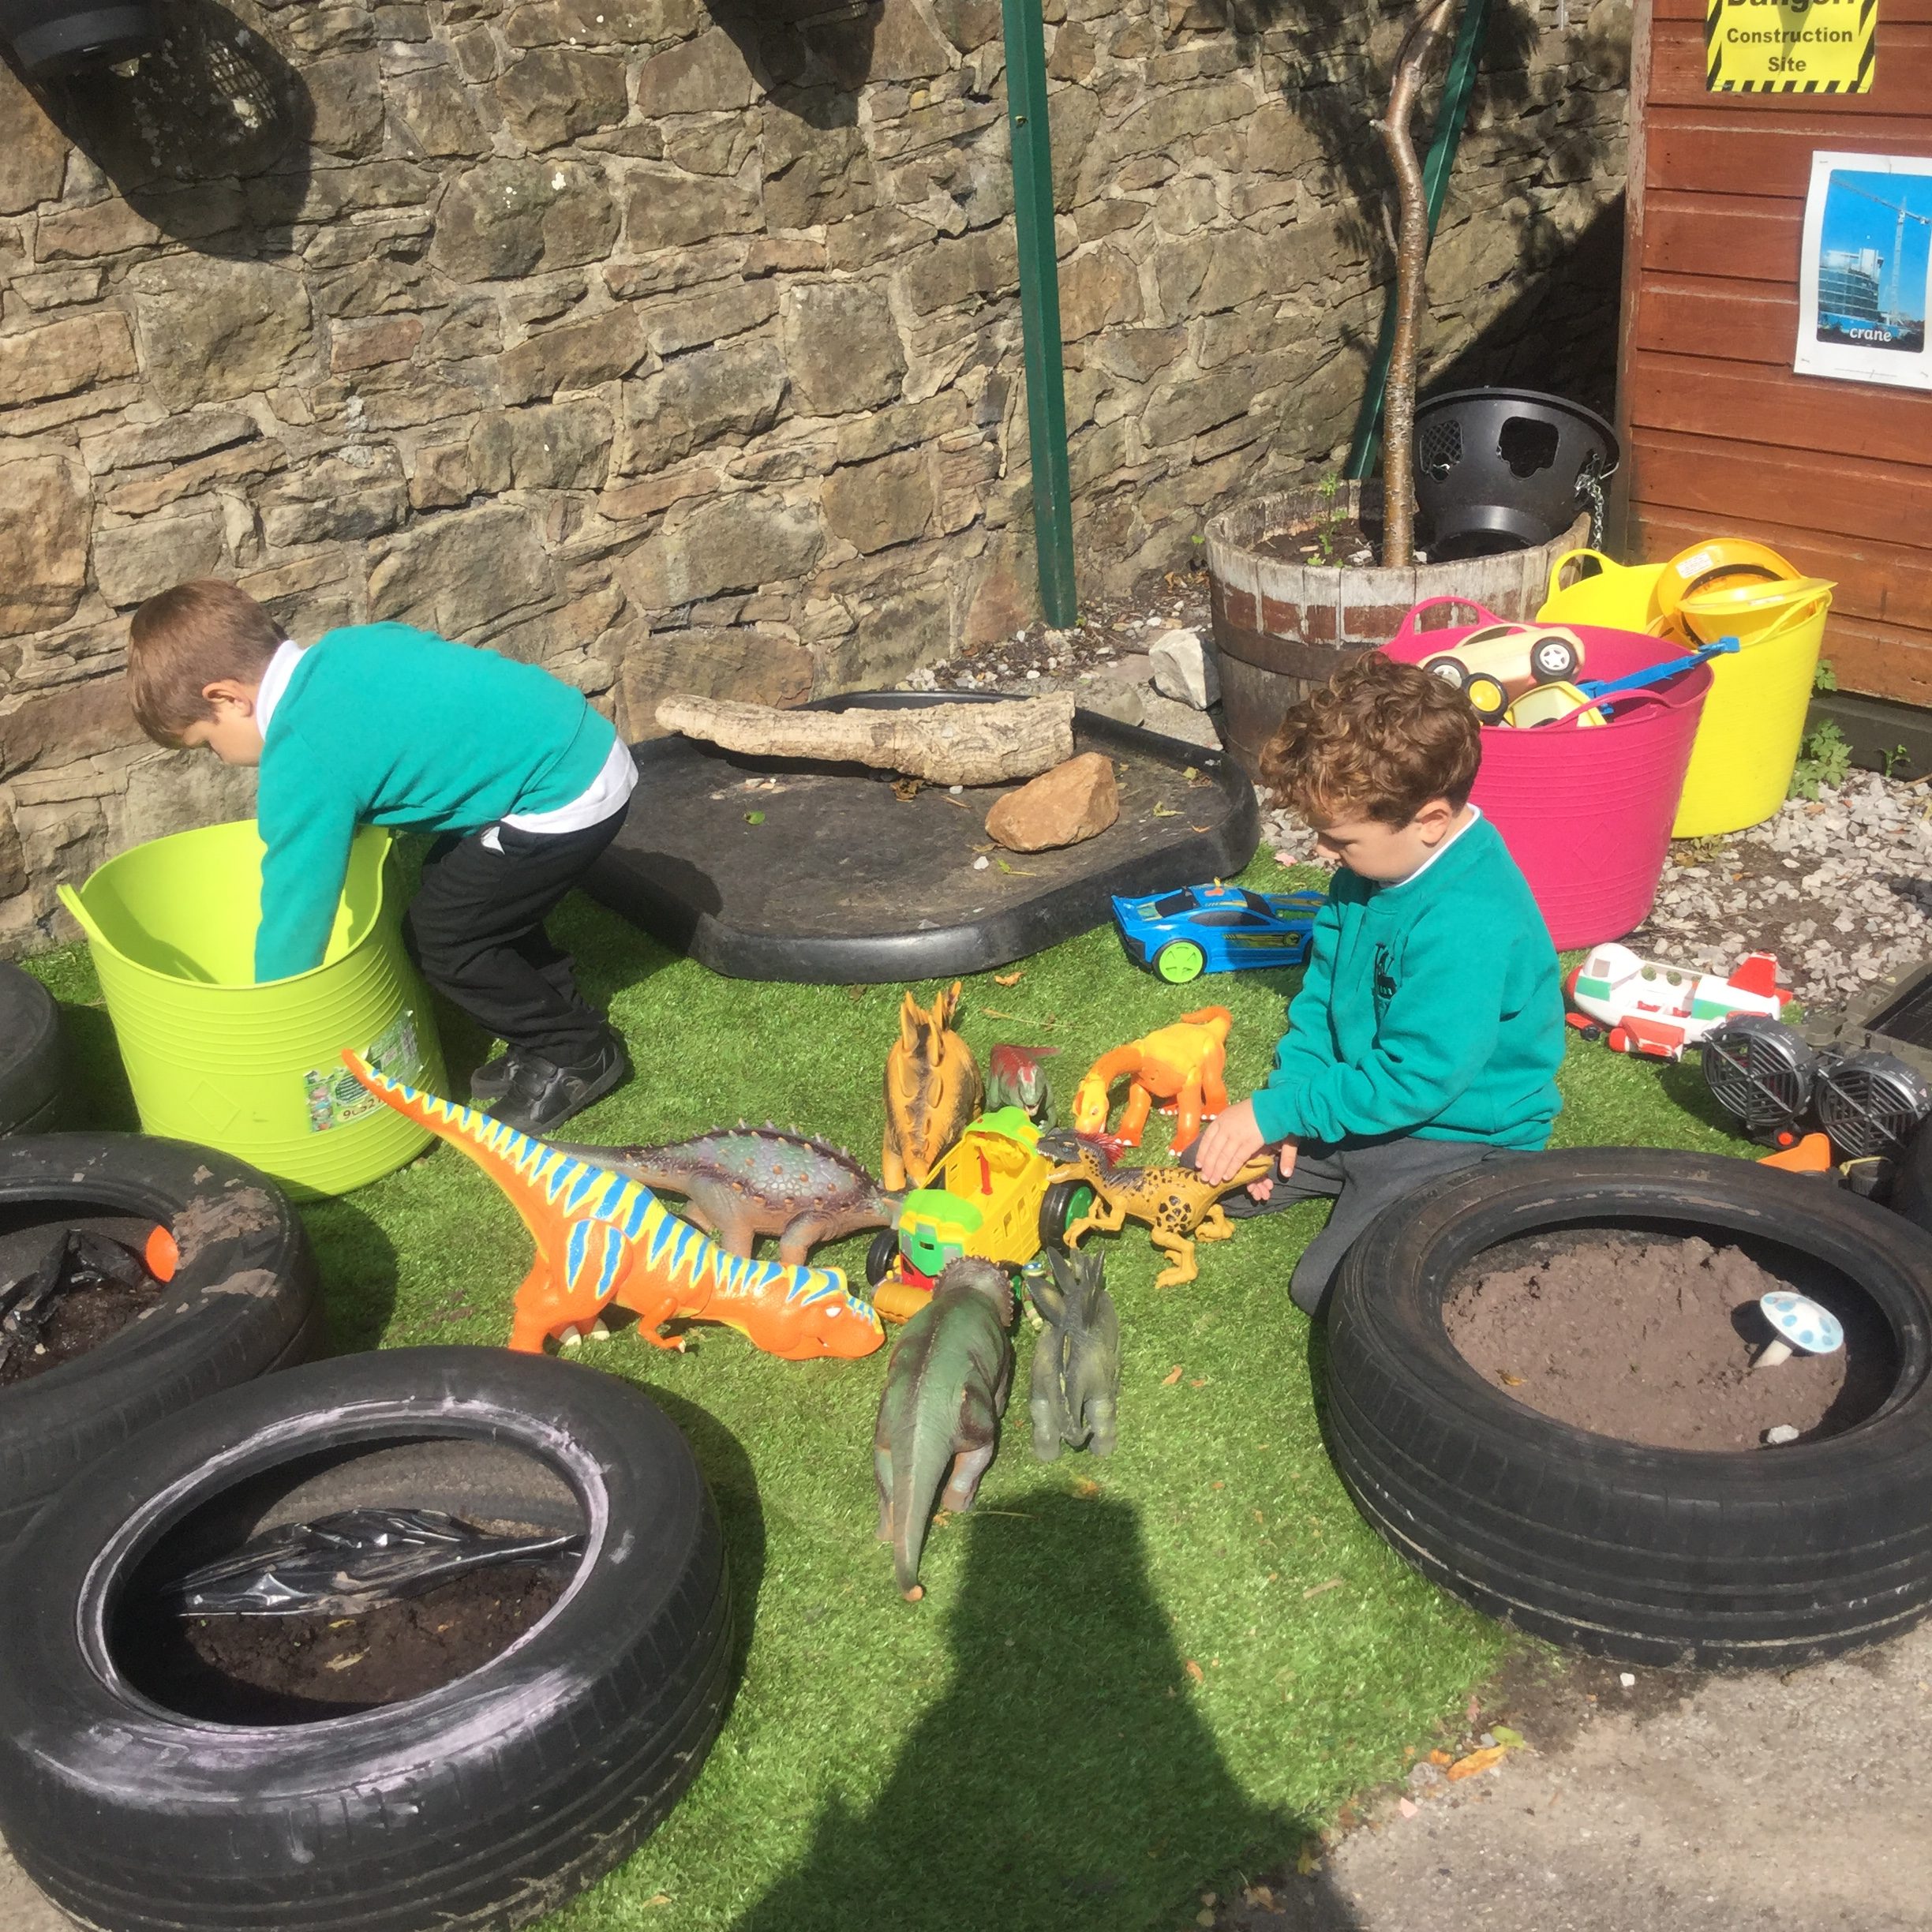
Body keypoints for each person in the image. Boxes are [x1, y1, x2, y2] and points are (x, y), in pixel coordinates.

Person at [125, 579, 635, 1135]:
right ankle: (552, 1023)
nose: (221, 758)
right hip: (579, 743)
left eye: (207, 743)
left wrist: (269, 1007)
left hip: (564, 795)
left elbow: (297, 900)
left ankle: (575, 1053)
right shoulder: (347, 649)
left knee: (446, 938)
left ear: (227, 698)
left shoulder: (301, 756)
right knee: (461, 885)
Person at [1193, 652, 1564, 1317]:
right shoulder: (1366, 874)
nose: (1324, 853)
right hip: (1362, 1099)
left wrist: (1283, 1115)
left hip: (1456, 1137)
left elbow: (1418, 1077)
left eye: (1341, 840)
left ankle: (1448, 1203)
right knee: (1203, 1171)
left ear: (1430, 821)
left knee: (1338, 1291)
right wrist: (1287, 1105)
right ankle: (1348, 1169)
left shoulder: (1470, 921)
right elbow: (1322, 998)